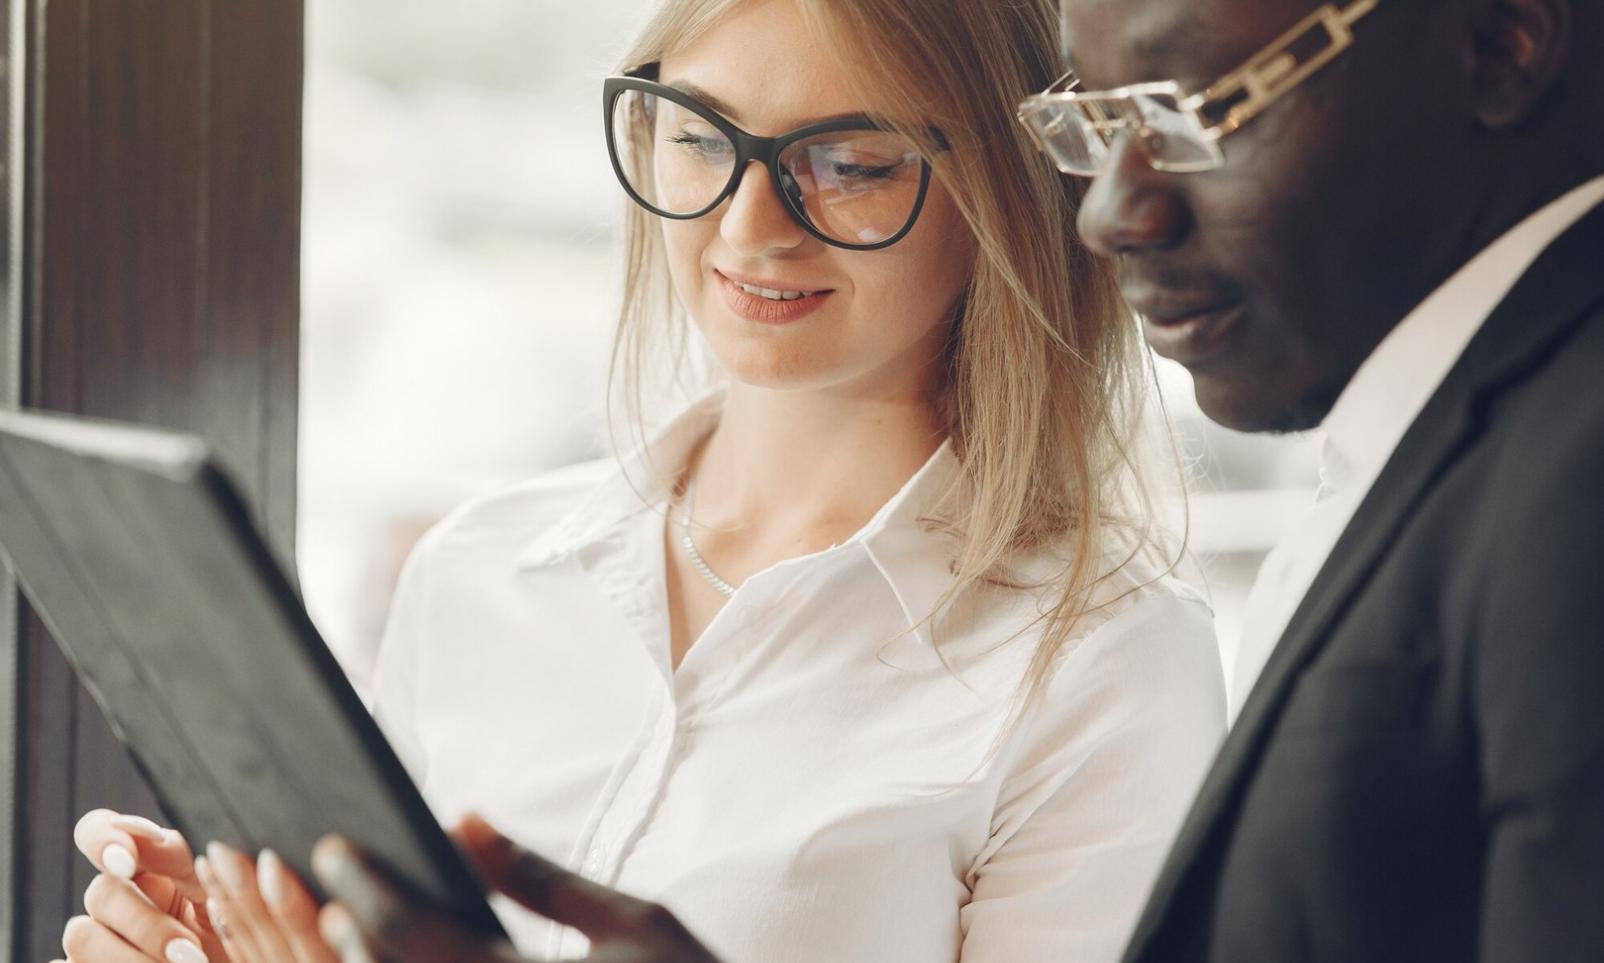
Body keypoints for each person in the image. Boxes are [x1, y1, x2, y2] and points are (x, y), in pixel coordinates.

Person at [61, 1, 1227, 961]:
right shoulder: (477, 570)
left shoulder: (1102, 660)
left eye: (848, 163)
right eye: (700, 138)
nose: (748, 223)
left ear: (1010, 200)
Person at [1016, 0, 1604, 958]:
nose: (1110, 213)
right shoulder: (1451, 450)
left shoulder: (1578, 487)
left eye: (1198, 111)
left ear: (1501, 44)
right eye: (1104, 119)